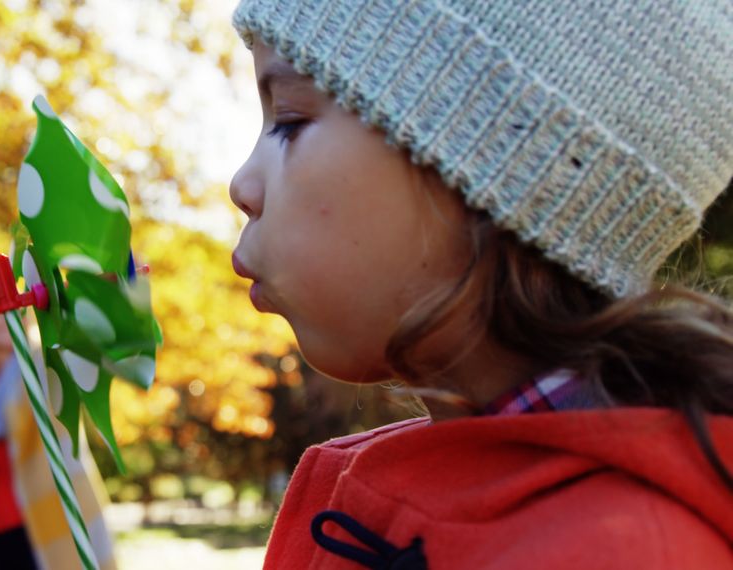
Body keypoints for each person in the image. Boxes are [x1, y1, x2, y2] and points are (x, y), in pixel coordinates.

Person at [227, 1, 733, 568]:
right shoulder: (348, 489)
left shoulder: (631, 551)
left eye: (291, 121)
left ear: (502, 179)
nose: (241, 185)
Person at [0, 302, 116, 570]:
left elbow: (76, 352)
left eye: (13, 315)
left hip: (44, 517)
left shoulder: (40, 368)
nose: (6, 321)